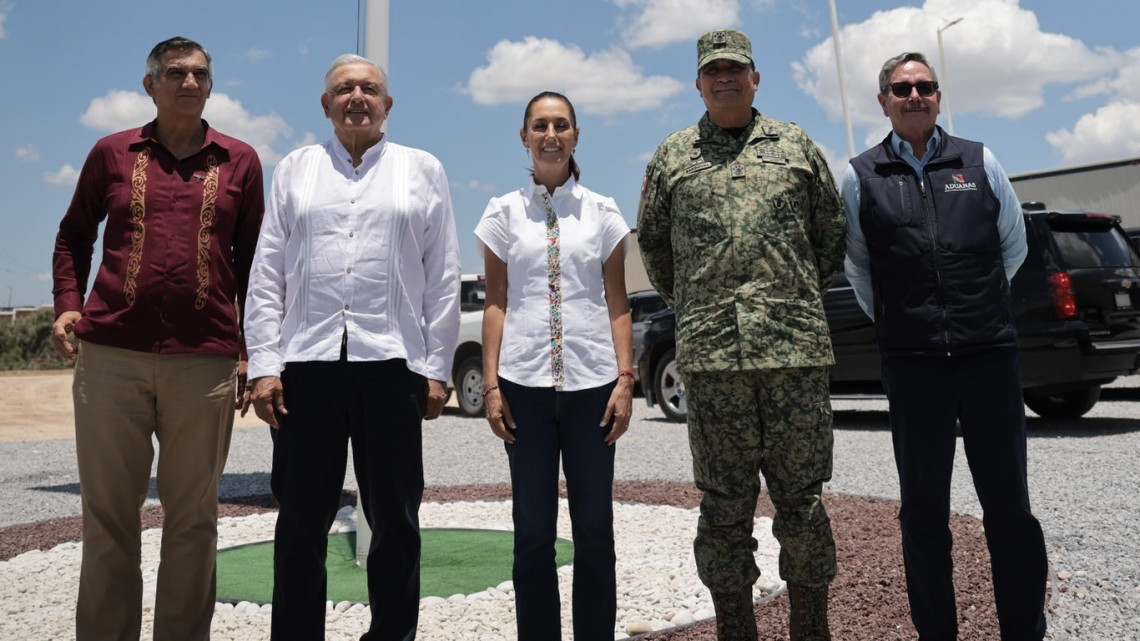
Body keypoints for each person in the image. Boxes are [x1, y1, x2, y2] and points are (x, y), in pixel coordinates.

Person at [50, 36, 265, 640]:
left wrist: (255, 349)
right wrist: (69, 305)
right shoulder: (112, 153)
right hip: (111, 354)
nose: (189, 83)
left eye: (200, 74)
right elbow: (72, 237)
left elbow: (254, 264)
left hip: (205, 360)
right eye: (175, 73)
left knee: (194, 519)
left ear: (211, 86)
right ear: (151, 85)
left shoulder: (241, 161)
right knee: (108, 517)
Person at [637, 29, 846, 641]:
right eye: (713, 71)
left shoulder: (797, 147)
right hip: (714, 360)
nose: (725, 79)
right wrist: (702, 304)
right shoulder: (673, 156)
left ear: (756, 78)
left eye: (736, 69)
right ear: (699, 83)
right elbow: (654, 245)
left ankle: (811, 627)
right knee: (724, 508)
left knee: (803, 503)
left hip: (793, 354)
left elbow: (830, 235)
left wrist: (790, 296)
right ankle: (736, 629)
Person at [244, 54, 461, 641]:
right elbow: (268, 273)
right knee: (299, 524)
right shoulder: (295, 169)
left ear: (388, 105)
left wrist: (436, 368)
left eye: (369, 88)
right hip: (306, 368)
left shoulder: (423, 170)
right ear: (325, 105)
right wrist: (264, 364)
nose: (357, 97)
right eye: (344, 89)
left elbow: (442, 275)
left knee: (395, 521)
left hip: (391, 366)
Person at [842, 51, 1048, 641]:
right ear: (883, 100)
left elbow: (1013, 247)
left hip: (989, 360)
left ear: (938, 96)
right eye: (902, 88)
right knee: (925, 514)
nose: (915, 96)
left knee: (1009, 511)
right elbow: (858, 268)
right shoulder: (860, 175)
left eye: (925, 87)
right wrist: (905, 322)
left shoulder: (981, 162)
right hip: (914, 369)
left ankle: (1025, 632)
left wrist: (973, 309)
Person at [477, 91, 634, 640]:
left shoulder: (603, 210)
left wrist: (625, 379)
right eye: (539, 125)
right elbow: (496, 301)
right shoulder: (501, 212)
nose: (550, 134)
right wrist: (492, 385)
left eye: (561, 125)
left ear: (575, 136)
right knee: (533, 533)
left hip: (594, 387)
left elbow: (617, 300)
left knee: (595, 529)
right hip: (525, 389)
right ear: (524, 137)